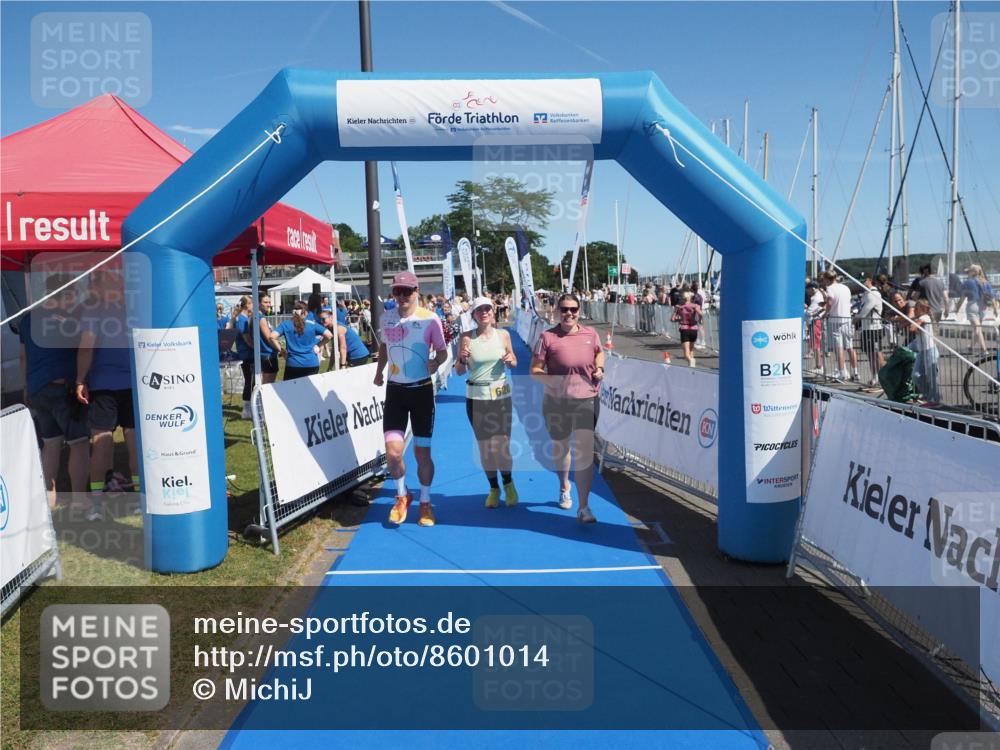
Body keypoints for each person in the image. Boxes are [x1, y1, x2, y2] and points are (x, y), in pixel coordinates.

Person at [374, 271, 448, 527]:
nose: (402, 296)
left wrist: (435, 363)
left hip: (421, 392)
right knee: (393, 454)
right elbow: (384, 346)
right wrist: (378, 373)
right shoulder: (387, 318)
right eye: (398, 291)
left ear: (417, 291)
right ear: (393, 293)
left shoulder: (431, 320)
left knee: (421, 453)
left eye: (407, 291)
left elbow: (442, 352)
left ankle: (425, 502)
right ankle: (402, 495)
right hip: (395, 391)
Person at [530, 292, 604, 524]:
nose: (569, 313)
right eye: (564, 309)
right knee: (562, 448)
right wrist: (550, 380)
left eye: (573, 309)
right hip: (557, 403)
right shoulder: (547, 337)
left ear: (579, 310)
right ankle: (564, 485)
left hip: (587, 399)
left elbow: (599, 353)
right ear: (557, 311)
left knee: (584, 453)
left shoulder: (591, 334)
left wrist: (599, 369)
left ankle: (583, 507)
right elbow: (535, 369)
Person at [19, 275, 89, 508]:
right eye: (73, 294)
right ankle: (79, 499)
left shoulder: (28, 319)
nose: (74, 299)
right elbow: (84, 347)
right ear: (65, 294)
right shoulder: (68, 320)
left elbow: (23, 357)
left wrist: (26, 387)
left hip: (37, 389)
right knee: (78, 443)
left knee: (50, 445)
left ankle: (49, 501)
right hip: (62, 388)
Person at [75, 269, 139, 521]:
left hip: (104, 385)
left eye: (92, 284)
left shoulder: (94, 311)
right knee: (135, 443)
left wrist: (80, 378)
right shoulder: (134, 309)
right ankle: (139, 500)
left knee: (102, 443)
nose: (89, 289)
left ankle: (97, 505)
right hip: (134, 385)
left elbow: (86, 347)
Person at [454, 297, 518, 508]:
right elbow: (459, 370)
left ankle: (508, 484)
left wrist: (510, 361)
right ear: (473, 315)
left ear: (493, 312)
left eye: (487, 309)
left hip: (500, 396)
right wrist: (462, 359)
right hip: (476, 397)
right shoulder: (465, 338)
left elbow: (514, 361)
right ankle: (493, 487)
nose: (484, 312)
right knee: (485, 448)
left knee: (502, 446)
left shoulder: (503, 335)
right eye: (479, 310)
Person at [271, 301, 332, 380]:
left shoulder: (286, 324)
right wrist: (318, 345)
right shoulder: (312, 324)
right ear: (306, 312)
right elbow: (329, 335)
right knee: (310, 391)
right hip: (312, 363)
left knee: (292, 391)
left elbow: (272, 337)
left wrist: (282, 351)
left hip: (293, 363)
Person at [821, 270, 859, 381]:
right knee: (850, 347)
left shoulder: (830, 289)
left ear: (827, 279)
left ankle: (842, 372)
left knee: (839, 348)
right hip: (847, 318)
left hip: (835, 320)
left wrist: (825, 314)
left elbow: (829, 303)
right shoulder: (845, 288)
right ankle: (855, 371)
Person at [856, 276, 885, 386]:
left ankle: (883, 378)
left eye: (864, 280)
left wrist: (854, 320)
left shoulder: (874, 294)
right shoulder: (866, 294)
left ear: (869, 280)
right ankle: (875, 377)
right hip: (866, 328)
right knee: (870, 355)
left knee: (877, 354)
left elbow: (864, 312)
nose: (862, 283)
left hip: (874, 329)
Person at [957, 264, 992, 353]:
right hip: (983, 307)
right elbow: (992, 296)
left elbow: (962, 297)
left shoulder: (968, 282)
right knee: (978, 328)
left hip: (972, 306)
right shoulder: (985, 282)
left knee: (977, 329)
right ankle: (971, 347)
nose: (967, 273)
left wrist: (957, 308)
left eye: (968, 271)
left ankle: (984, 350)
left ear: (973, 272)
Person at [909, 299, 940, 401]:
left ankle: (934, 399)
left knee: (932, 378)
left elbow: (912, 328)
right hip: (922, 351)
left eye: (916, 308)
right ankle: (927, 395)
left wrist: (912, 319)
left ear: (922, 309)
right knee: (916, 375)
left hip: (930, 350)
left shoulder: (924, 317)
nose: (914, 310)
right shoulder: (919, 318)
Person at [671, 291, 702, 367]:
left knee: (686, 354)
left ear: (683, 298)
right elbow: (701, 313)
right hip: (694, 329)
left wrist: (678, 316)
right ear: (690, 298)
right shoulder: (695, 306)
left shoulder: (680, 307)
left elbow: (672, 319)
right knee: (691, 350)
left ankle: (691, 361)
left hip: (685, 329)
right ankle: (692, 365)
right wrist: (700, 319)